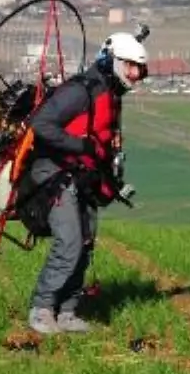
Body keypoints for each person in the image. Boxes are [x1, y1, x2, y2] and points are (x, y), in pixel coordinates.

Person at [18, 30, 149, 335]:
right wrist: (80, 146)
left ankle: (67, 312)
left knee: (85, 245)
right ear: (114, 62)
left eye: (139, 69)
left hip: (84, 177)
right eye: (131, 66)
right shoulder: (80, 91)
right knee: (70, 242)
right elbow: (41, 124)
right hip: (54, 173)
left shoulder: (111, 96)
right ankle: (41, 309)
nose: (136, 75)